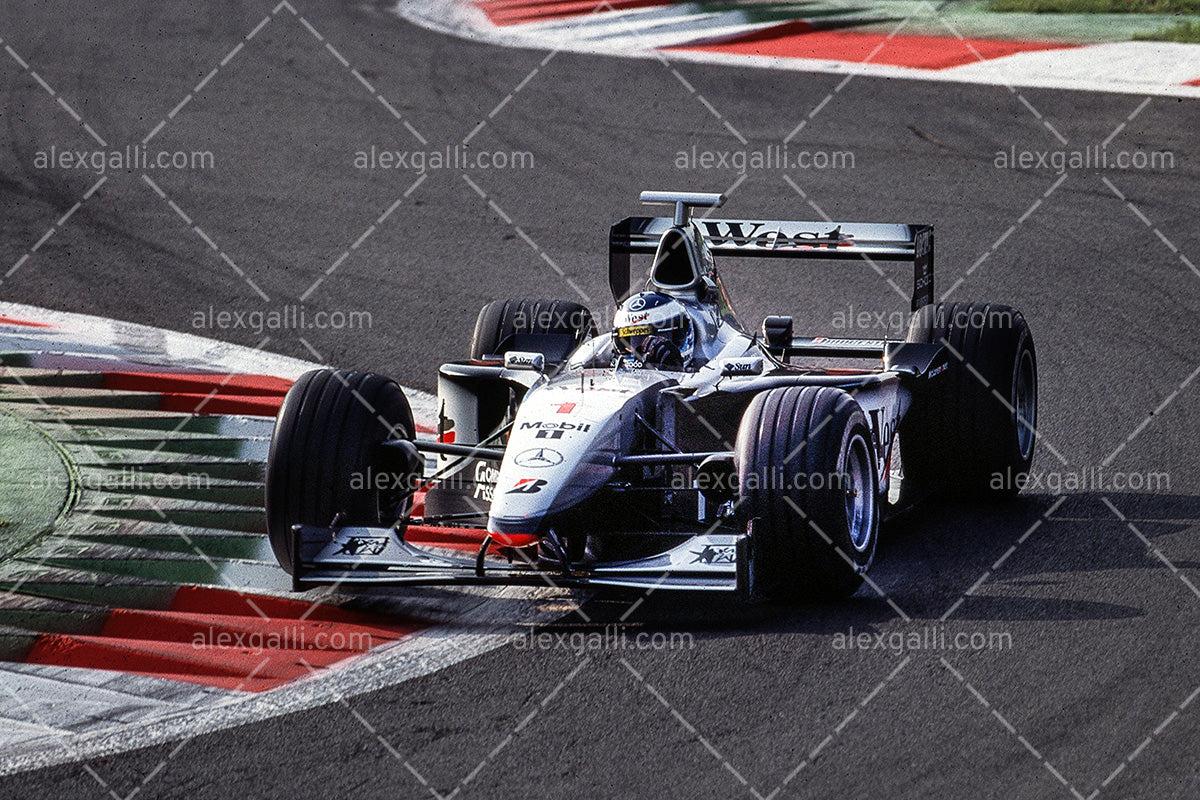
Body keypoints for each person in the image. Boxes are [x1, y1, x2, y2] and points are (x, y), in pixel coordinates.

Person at [611, 291, 697, 370]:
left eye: (656, 343)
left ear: (680, 336)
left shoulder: (707, 367)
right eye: (635, 341)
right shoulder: (601, 352)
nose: (647, 353)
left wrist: (673, 367)